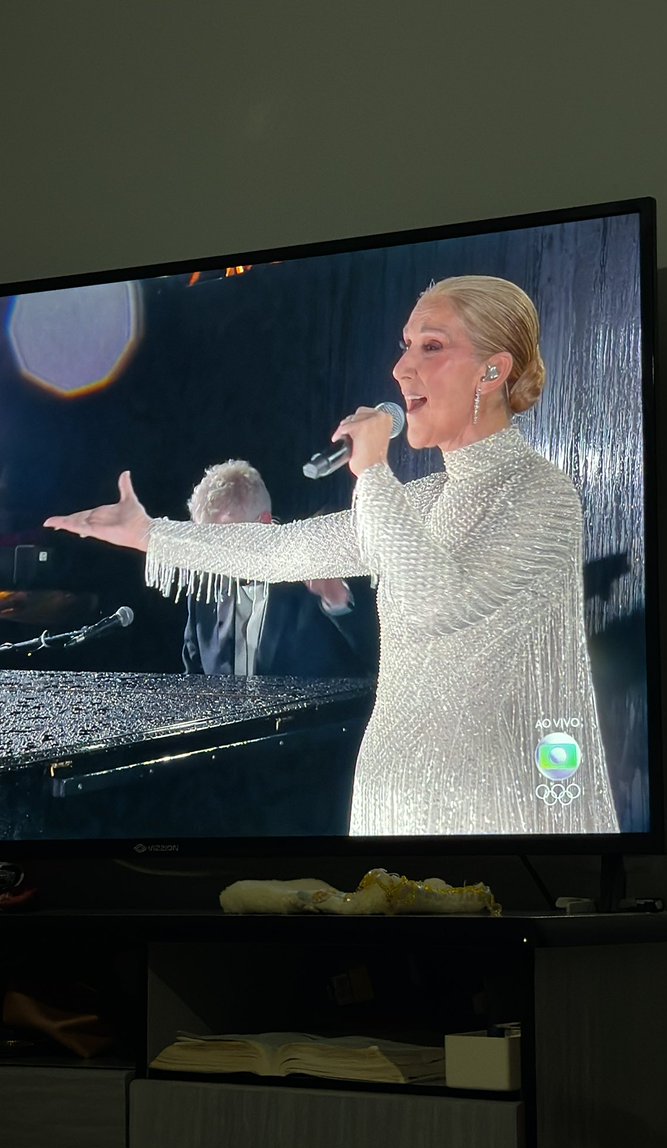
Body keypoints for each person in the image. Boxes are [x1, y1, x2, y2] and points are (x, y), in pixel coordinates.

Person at [45, 275, 619, 836]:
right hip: (395, 804)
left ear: (493, 371)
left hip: (495, 815)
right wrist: (150, 533)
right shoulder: (420, 500)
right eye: (405, 347)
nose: (401, 369)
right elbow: (282, 549)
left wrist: (371, 471)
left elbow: (439, 602)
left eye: (432, 346)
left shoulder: (538, 493)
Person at [181, 459, 376, 678]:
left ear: (263, 522)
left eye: (228, 540)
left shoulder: (320, 564)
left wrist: (338, 602)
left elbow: (377, 662)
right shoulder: (204, 589)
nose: (219, 557)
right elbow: (195, 680)